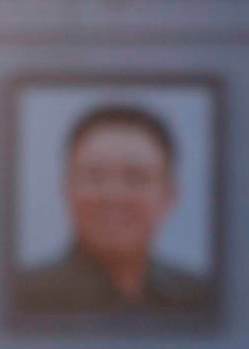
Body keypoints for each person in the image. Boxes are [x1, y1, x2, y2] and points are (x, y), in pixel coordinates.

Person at [15, 105, 210, 313]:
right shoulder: (18, 297)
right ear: (66, 189)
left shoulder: (201, 299)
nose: (114, 196)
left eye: (135, 177)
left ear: (170, 195)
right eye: (95, 177)